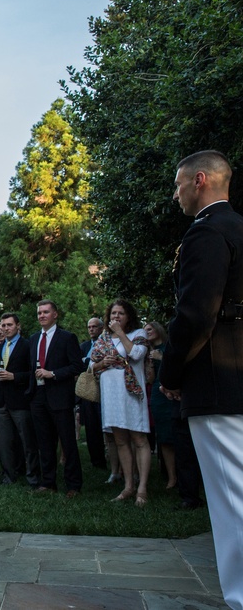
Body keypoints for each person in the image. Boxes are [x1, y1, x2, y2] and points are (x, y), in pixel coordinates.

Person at [158, 150, 243, 610]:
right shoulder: (239, 227)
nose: (175, 194)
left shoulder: (207, 232)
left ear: (201, 181)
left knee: (234, 500)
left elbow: (195, 314)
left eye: (178, 184)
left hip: (218, 378)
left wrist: (171, 373)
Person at [91, 299, 150, 505]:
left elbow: (135, 354)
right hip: (112, 394)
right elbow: (91, 363)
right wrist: (101, 363)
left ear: (129, 316)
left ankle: (142, 488)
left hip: (131, 393)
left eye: (121, 314)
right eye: (113, 314)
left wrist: (121, 333)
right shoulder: (104, 337)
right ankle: (128, 487)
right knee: (120, 440)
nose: (116, 317)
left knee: (139, 439)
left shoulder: (139, 334)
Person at [29, 299, 85, 497]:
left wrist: (52, 373)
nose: (41, 315)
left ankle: (73, 485)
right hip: (39, 396)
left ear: (55, 315)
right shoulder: (34, 339)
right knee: (44, 442)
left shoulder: (67, 337)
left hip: (60, 395)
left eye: (45, 312)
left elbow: (78, 366)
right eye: (39, 313)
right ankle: (48, 482)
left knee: (68, 442)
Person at [0, 313, 38, 486]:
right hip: (0, 402)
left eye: (9, 325)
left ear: (18, 326)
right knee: (4, 442)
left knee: (28, 442)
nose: (5, 328)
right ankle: (8, 476)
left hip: (20, 400)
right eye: (3, 325)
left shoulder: (28, 346)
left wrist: (14, 376)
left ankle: (32, 476)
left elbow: (33, 372)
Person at [145, 321, 176, 490]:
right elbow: (150, 379)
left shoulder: (169, 347)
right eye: (145, 331)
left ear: (158, 329)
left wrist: (161, 358)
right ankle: (171, 477)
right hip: (157, 395)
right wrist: (150, 363)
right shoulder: (149, 352)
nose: (147, 332)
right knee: (163, 437)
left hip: (173, 393)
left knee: (178, 435)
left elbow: (178, 366)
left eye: (150, 329)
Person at [79, 318, 108, 471]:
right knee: (91, 427)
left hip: (105, 388)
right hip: (88, 391)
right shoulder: (83, 346)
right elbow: (79, 365)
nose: (91, 329)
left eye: (94, 327)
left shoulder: (107, 343)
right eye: (89, 327)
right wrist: (88, 361)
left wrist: (88, 361)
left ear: (102, 328)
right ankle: (97, 461)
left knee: (107, 426)